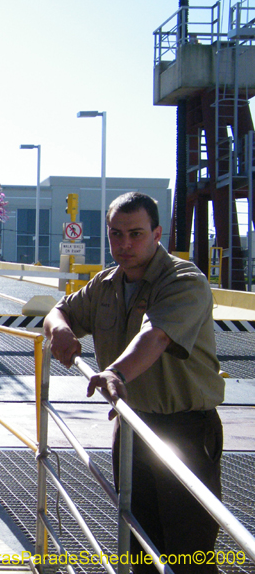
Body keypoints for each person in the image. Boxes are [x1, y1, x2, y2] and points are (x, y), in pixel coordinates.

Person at [43, 192, 224, 574]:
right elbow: (60, 310)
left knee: (188, 551)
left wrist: (115, 372)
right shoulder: (106, 284)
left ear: (158, 234)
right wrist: (59, 330)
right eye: (116, 234)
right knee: (138, 539)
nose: (124, 245)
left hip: (184, 430)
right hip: (131, 428)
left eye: (136, 234)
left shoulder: (183, 281)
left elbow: (155, 336)